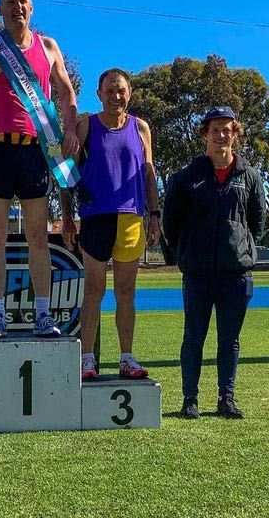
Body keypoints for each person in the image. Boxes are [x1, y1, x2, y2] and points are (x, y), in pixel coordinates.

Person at [0, 0, 80, 339]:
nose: (17, 7)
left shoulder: (48, 46)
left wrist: (70, 129)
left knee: (37, 238)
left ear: (32, 7)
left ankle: (43, 315)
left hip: (35, 151)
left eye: (23, 1)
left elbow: (68, 94)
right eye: (10, 1)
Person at [162, 106, 265, 419]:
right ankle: (189, 400)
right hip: (198, 275)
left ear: (235, 134)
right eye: (214, 129)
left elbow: (257, 222)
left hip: (236, 274)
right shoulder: (186, 177)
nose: (221, 135)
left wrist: (239, 249)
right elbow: (171, 223)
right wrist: (189, 252)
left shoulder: (249, 176)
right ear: (205, 134)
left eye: (227, 129)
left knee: (229, 341)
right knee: (193, 338)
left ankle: (226, 398)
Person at [60, 68, 160, 380]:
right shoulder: (86, 126)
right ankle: (87, 359)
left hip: (131, 218)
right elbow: (66, 174)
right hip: (94, 219)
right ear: (99, 94)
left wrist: (154, 216)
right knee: (93, 289)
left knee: (126, 291)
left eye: (121, 91)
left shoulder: (140, 128)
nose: (116, 96)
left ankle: (127, 358)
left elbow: (149, 174)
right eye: (110, 91)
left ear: (129, 94)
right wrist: (66, 218)